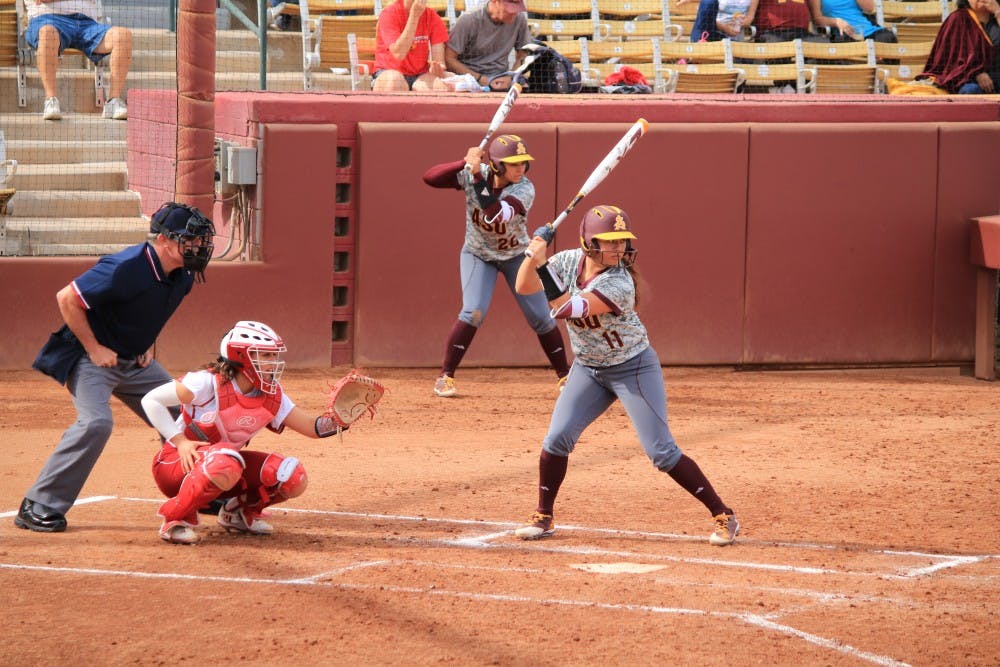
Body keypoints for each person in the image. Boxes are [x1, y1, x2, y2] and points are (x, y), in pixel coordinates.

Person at [512, 205, 740, 546]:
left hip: (632, 367)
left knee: (661, 452)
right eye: (611, 241)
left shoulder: (619, 282)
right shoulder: (567, 261)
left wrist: (542, 262)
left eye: (623, 241)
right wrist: (531, 257)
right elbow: (523, 285)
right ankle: (544, 515)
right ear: (589, 242)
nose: (619, 249)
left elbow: (566, 310)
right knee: (556, 438)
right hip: (589, 368)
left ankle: (724, 515)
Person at [15, 202, 215, 533]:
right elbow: (67, 298)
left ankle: (203, 487)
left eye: (200, 240)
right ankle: (39, 503)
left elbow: (149, 311)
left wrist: (143, 348)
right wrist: (94, 349)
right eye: (190, 239)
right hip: (89, 357)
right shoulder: (125, 267)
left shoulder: (184, 276)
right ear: (163, 240)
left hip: (134, 362)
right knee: (96, 423)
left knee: (190, 413)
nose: (198, 247)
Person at [141, 321, 346, 545]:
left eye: (274, 356)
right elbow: (151, 400)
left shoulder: (271, 394)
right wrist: (180, 442)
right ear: (241, 356)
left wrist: (340, 419)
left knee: (292, 476)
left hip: (224, 468)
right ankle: (175, 519)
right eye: (265, 355)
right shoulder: (206, 383)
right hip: (176, 467)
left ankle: (237, 514)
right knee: (225, 460)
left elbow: (311, 427)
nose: (273, 363)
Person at [422, 134, 570, 398]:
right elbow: (430, 178)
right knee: (473, 311)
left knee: (540, 317)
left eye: (523, 163)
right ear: (497, 165)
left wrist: (477, 175)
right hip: (478, 254)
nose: (520, 168)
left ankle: (565, 377)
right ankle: (445, 376)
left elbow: (495, 214)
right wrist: (464, 162)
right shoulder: (473, 174)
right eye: (513, 164)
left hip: (516, 256)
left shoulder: (524, 188)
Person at [23, 0, 133, 121]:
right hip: (48, 19)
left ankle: (113, 101)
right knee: (47, 33)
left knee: (123, 36)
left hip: (87, 24)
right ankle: (51, 101)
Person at [912, 0, 1000, 94]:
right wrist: (976, 73)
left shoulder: (997, 17)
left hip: (997, 75)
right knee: (970, 90)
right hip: (968, 79)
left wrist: (998, 12)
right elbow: (949, 60)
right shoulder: (958, 18)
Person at [444, 0, 533, 91]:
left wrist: (511, 76)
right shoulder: (469, 19)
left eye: (517, 7)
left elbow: (523, 55)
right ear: (495, 1)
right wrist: (480, 79)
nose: (514, 12)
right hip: (469, 80)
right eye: (509, 8)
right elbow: (449, 59)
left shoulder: (519, 19)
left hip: (502, 78)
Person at [372, 0, 451, 91]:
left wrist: (438, 69)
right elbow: (399, 54)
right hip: (387, 72)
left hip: (419, 75)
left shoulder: (432, 16)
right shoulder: (389, 13)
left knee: (442, 86)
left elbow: (439, 61)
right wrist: (414, 16)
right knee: (395, 81)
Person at [744, 0, 831, 42]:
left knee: (822, 44)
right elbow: (750, 16)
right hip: (772, 32)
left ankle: (810, 77)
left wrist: (836, 21)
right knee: (777, 47)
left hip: (802, 32)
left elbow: (817, 17)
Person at [814, 0, 897, 43]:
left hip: (865, 29)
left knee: (887, 37)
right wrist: (836, 22)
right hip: (842, 32)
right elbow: (817, 19)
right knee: (844, 42)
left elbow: (869, 8)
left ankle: (887, 74)